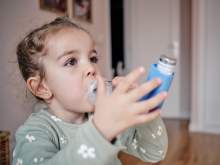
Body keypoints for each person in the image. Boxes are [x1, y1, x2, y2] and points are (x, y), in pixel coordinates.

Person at [13, 17, 168, 165]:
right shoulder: (36, 131)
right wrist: (99, 131)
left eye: (93, 58)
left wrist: (145, 111)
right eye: (71, 61)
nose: (91, 68)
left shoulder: (104, 114)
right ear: (41, 87)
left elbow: (154, 153)